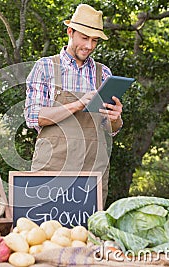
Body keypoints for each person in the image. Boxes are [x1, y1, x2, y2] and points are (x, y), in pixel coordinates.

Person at [24, 4, 123, 208]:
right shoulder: (45, 67)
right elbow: (34, 117)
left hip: (91, 172)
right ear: (70, 32)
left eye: (94, 40)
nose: (89, 45)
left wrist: (116, 118)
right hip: (52, 169)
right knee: (44, 234)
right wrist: (78, 105)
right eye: (84, 38)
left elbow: (110, 130)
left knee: (88, 234)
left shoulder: (103, 74)